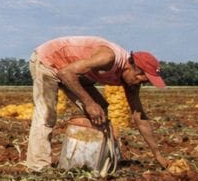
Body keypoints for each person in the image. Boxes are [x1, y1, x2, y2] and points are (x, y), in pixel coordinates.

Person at [26, 36, 168, 172]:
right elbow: (65, 73)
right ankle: (38, 167)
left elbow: (139, 116)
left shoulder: (131, 81)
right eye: (140, 78)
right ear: (132, 66)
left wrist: (157, 155)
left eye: (145, 83)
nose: (140, 84)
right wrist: (89, 103)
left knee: (100, 109)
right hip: (48, 60)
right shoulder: (107, 58)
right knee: (46, 114)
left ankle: (91, 160)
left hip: (74, 71)